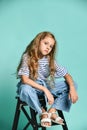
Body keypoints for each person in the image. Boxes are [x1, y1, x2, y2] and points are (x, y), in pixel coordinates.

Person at [16, 31, 78, 127]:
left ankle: (52, 111)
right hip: (31, 87)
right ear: (38, 42)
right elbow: (25, 80)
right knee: (24, 89)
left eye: (51, 46)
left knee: (72, 84)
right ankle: (42, 112)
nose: (48, 47)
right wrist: (45, 90)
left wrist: (72, 88)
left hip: (45, 85)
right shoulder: (27, 56)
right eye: (46, 43)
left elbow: (67, 75)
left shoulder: (49, 60)